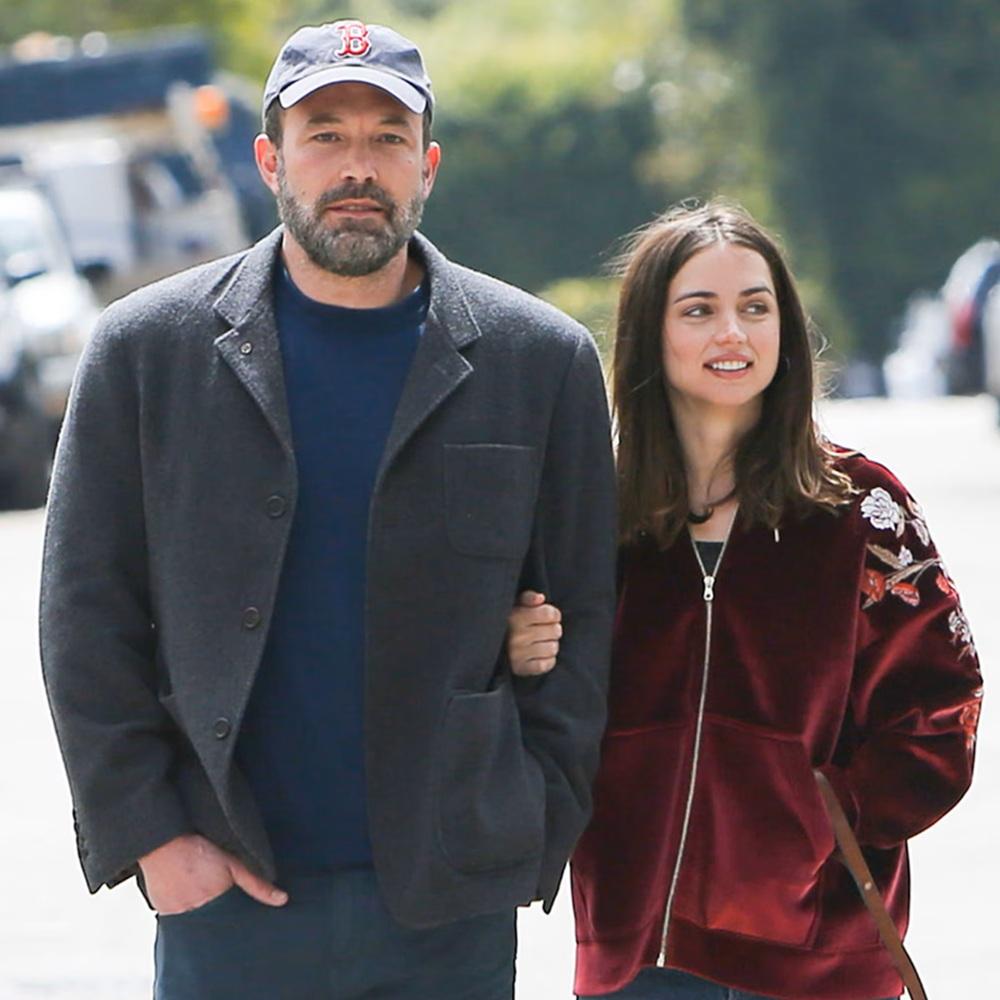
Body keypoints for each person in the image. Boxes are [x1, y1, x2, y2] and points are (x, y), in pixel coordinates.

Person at [39, 19, 617, 1000]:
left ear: (427, 165)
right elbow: (83, 615)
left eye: (388, 138)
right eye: (325, 136)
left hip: (449, 906)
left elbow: (590, 616)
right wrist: (153, 836)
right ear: (271, 160)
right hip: (226, 895)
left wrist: (532, 814)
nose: (358, 167)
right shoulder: (145, 352)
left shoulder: (540, 361)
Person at [507, 200, 983, 1000]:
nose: (733, 333)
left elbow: (944, 706)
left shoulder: (860, 509)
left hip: (819, 953)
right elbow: (537, 704)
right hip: (637, 948)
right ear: (652, 333)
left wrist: (826, 817)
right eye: (700, 310)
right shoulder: (594, 513)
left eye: (755, 308)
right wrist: (520, 654)